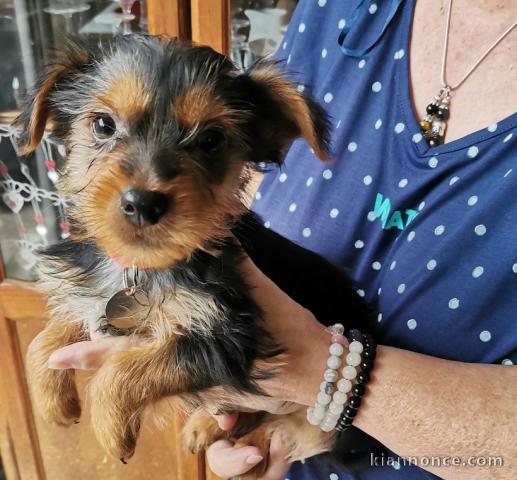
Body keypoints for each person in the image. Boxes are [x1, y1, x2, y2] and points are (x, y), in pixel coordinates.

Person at [47, 0, 517, 478]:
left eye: (208, 142)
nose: (144, 186)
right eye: (104, 127)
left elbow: (229, 343)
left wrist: (315, 372)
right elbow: (245, 200)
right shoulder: (339, 10)